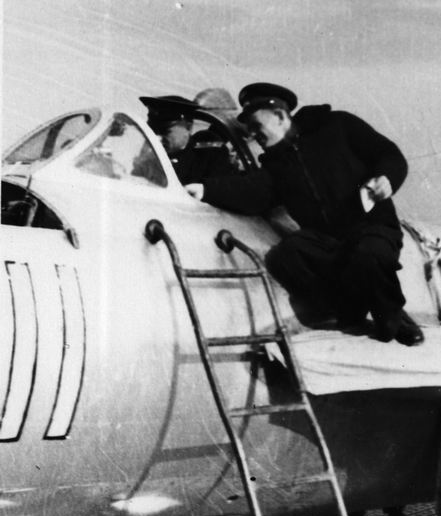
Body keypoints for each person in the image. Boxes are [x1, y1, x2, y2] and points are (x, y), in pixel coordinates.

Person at [187, 82, 423, 345]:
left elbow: (389, 154)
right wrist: (206, 190)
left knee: (368, 255)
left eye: (255, 125)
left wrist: (387, 178)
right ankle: (346, 310)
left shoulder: (337, 125)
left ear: (279, 116)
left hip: (372, 227)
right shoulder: (276, 164)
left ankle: (394, 321)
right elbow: (253, 192)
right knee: (286, 256)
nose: (253, 134)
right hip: (327, 238)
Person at [139, 94, 236, 184]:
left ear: (188, 127)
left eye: (165, 131)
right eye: (152, 131)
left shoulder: (207, 155)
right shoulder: (149, 153)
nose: (157, 138)